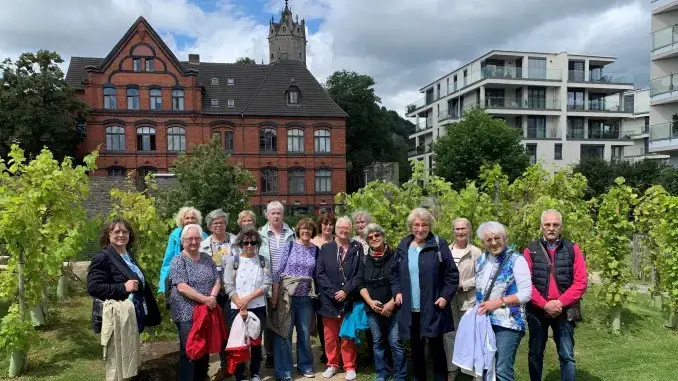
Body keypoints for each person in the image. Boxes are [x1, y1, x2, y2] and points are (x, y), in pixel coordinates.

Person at [391, 207, 459, 381]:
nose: (420, 229)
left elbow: (452, 274)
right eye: (416, 225)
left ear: (430, 226)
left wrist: (445, 296)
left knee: (436, 348)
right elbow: (394, 273)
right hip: (410, 308)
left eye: (424, 225)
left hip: (433, 306)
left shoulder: (438, 244)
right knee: (416, 350)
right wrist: (397, 291)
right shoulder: (403, 245)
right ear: (411, 226)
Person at [524, 210, 587, 381]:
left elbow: (581, 282)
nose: (551, 228)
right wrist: (544, 304)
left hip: (564, 311)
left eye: (555, 224)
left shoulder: (572, 249)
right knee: (535, 353)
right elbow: (525, 284)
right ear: (541, 227)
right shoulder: (530, 251)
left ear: (561, 227)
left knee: (567, 355)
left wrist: (560, 302)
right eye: (547, 224)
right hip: (537, 311)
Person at [475, 221, 532, 381]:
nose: (494, 243)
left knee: (502, 370)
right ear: (483, 242)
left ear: (505, 238)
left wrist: (497, 302)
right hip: (485, 322)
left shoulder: (516, 260)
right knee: (487, 367)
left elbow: (526, 294)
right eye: (489, 240)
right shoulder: (480, 261)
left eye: (497, 238)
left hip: (508, 323)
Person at [87, 218, 161, 331]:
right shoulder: (103, 258)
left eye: (125, 232)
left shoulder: (128, 255)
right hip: (116, 319)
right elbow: (93, 287)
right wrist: (123, 287)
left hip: (132, 315)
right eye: (117, 232)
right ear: (108, 234)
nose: (121, 235)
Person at [169, 224, 221, 381]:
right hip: (186, 313)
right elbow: (182, 286)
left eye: (196, 238)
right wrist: (206, 299)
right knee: (191, 350)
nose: (193, 242)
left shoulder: (206, 258)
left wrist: (212, 297)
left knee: (204, 349)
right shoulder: (178, 260)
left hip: (205, 312)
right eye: (189, 239)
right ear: (183, 240)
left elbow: (217, 279)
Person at [270, 218, 319, 380]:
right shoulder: (290, 245)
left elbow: (316, 275)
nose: (306, 231)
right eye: (303, 229)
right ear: (298, 230)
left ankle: (305, 366)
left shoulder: (316, 250)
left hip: (306, 298)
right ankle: (284, 371)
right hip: (286, 297)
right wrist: (275, 297)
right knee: (284, 334)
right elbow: (278, 271)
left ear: (313, 232)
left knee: (304, 334)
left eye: (309, 229)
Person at [317, 216, 364, 380]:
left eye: (346, 227)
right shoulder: (326, 248)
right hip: (329, 301)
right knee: (330, 337)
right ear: (336, 229)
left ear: (350, 229)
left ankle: (350, 366)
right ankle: (332, 364)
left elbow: (359, 274)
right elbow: (320, 274)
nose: (343, 230)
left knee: (347, 335)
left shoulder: (357, 248)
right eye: (340, 227)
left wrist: (345, 291)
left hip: (349, 299)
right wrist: (333, 293)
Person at [357, 223, 406, 381]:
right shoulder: (365, 260)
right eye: (370, 237)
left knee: (395, 342)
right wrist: (371, 303)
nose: (374, 239)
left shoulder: (395, 256)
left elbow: (403, 281)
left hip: (394, 308)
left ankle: (400, 375)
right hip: (373, 309)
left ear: (383, 237)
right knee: (378, 342)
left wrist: (391, 304)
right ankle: (382, 373)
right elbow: (360, 284)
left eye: (377, 235)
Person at [223, 225, 271, 381]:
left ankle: (255, 372)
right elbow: (229, 285)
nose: (249, 246)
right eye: (246, 243)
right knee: (239, 341)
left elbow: (266, 284)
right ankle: (240, 374)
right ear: (240, 244)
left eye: (253, 243)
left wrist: (247, 299)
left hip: (257, 307)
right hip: (236, 308)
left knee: (256, 342)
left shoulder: (263, 261)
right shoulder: (233, 261)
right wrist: (240, 304)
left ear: (257, 244)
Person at [200, 209, 238, 379]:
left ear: (226, 224)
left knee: (235, 330)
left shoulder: (235, 241)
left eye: (221, 222)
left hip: (234, 292)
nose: (218, 225)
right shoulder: (204, 244)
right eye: (215, 223)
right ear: (209, 226)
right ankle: (224, 366)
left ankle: (239, 365)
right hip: (213, 294)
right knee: (220, 331)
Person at [445, 218, 483, 380]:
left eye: (463, 229)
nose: (460, 232)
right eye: (457, 229)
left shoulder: (476, 252)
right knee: (450, 334)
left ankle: (474, 370)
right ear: (453, 231)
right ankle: (452, 368)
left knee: (471, 333)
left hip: (469, 299)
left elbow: (481, 276)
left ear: (469, 231)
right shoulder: (446, 251)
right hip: (449, 299)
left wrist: (463, 285)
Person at [259, 201, 296, 367]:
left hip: (286, 284)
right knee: (269, 321)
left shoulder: (291, 233)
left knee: (285, 320)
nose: (275, 216)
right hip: (266, 283)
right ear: (267, 215)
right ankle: (270, 354)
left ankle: (284, 353)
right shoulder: (260, 235)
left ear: (283, 215)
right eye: (272, 213)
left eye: (278, 213)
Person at [159, 207, 207, 294]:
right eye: (187, 218)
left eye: (193, 218)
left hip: (200, 280)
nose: (190, 220)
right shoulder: (175, 236)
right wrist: (163, 286)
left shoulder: (204, 236)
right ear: (182, 220)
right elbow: (168, 261)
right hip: (179, 280)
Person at [311, 213, 337, 364]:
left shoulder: (337, 241)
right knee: (321, 318)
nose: (328, 227)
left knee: (334, 316)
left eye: (331, 224)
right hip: (316, 284)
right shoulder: (314, 242)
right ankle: (325, 349)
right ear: (320, 225)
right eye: (325, 224)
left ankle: (336, 348)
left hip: (333, 285)